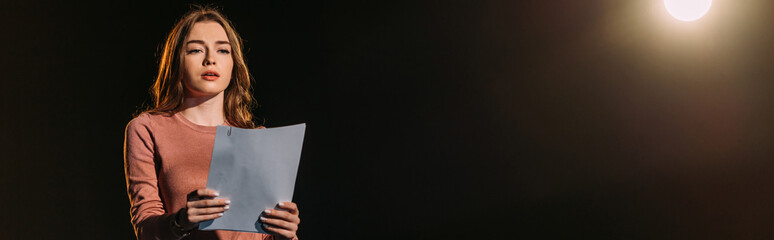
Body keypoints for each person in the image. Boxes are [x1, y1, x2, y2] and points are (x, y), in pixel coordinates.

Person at [124, 6, 300, 240]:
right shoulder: (147, 128)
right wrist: (182, 220)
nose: (210, 59)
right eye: (196, 50)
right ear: (177, 60)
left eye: (223, 51)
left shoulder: (258, 139)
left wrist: (286, 233)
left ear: (234, 64)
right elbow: (145, 228)